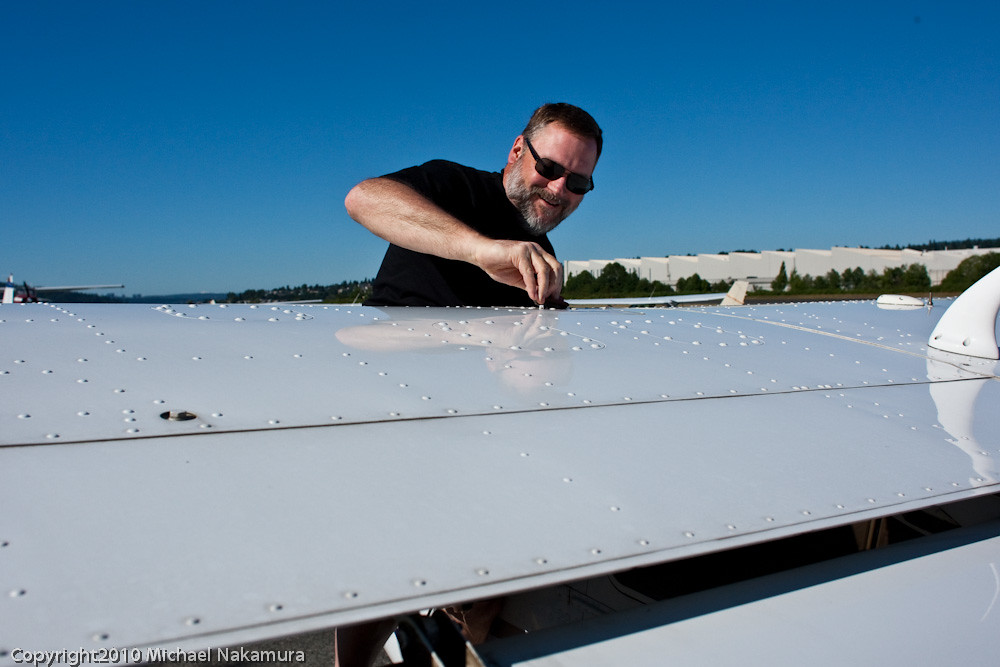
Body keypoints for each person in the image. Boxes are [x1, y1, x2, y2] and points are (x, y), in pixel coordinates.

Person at [345, 102, 602, 308]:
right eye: (549, 167)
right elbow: (362, 198)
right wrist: (481, 251)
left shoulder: (541, 252)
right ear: (517, 151)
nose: (558, 188)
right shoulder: (452, 184)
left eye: (578, 182)